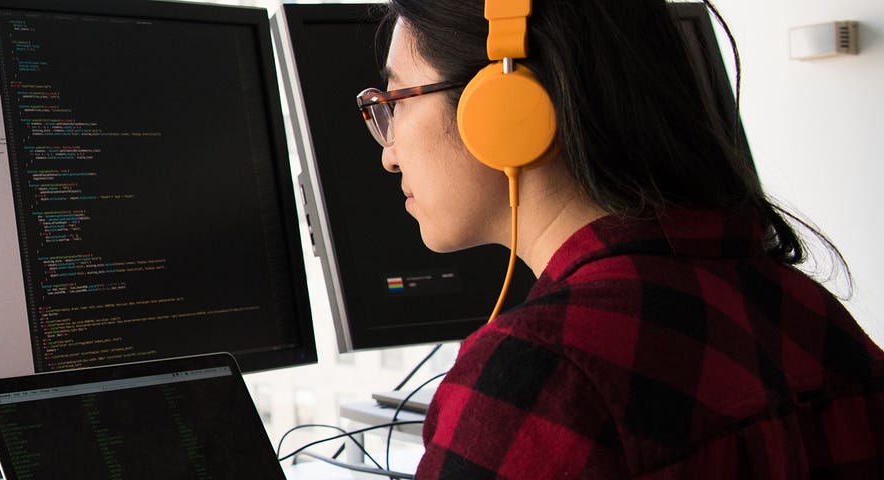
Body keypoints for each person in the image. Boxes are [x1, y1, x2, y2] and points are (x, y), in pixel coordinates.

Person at [361, 0, 884, 477]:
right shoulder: (813, 314)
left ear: (502, 104)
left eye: (396, 100)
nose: (388, 153)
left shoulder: (541, 376)